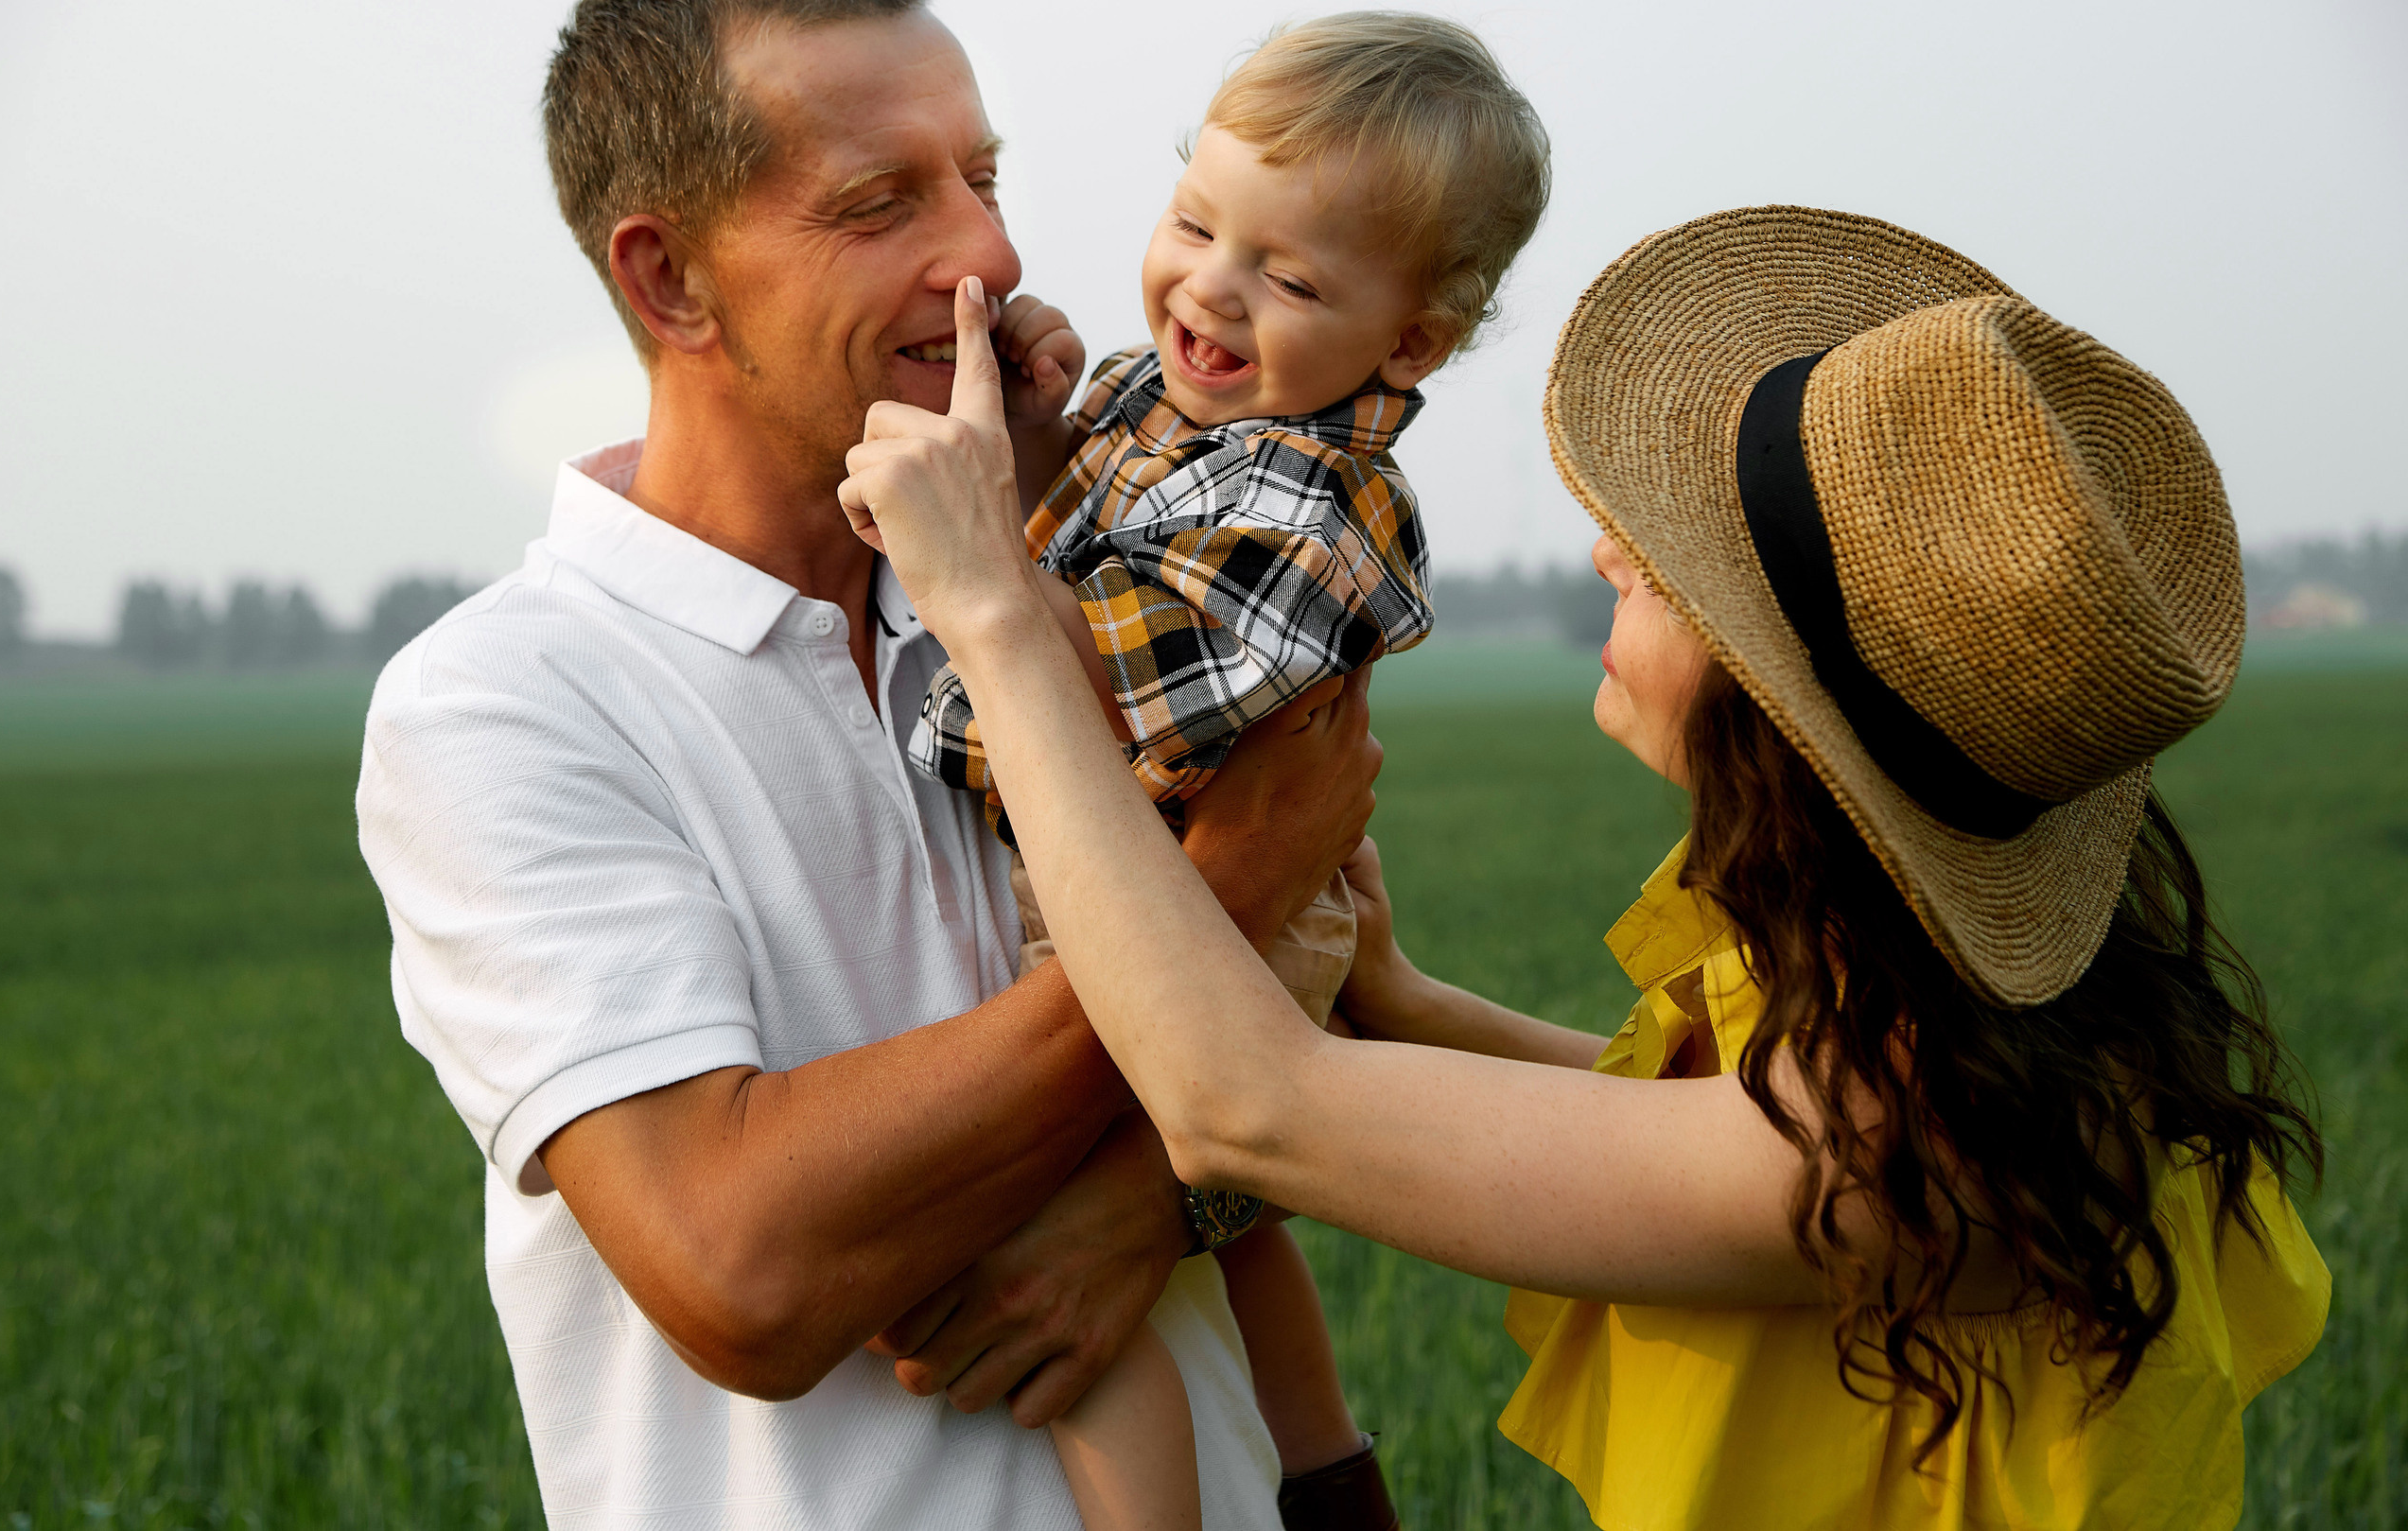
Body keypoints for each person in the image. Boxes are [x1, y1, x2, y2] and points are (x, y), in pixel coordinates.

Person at [840, 204, 2332, 1529]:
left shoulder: (1914, 1159)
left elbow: (1249, 1111)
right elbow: (1696, 1131)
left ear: (1780, 710)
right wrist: (1409, 1004)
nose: (1610, 550)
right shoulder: (1959, 1040)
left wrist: (991, 609)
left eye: (1674, 558)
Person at [356, 0, 1385, 1530]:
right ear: (668, 279)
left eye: (980, 174)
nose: (986, 249)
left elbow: (1302, 1071)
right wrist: (1218, 900)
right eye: (878, 202)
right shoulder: (508, 701)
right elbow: (741, 1268)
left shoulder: (1064, 601)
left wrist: (1143, 1220)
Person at [909, 12, 1548, 1531]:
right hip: (1192, 882)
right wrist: (1040, 415)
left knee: (1080, 1242)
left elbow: (1131, 700)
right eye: (1196, 220)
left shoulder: (1313, 502)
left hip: (1220, 914)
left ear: (1408, 342)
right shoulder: (1176, 408)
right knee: (1233, 1245)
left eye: (1292, 277)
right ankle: (1327, 1476)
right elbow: (1085, 502)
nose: (1212, 286)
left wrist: (972, 560)